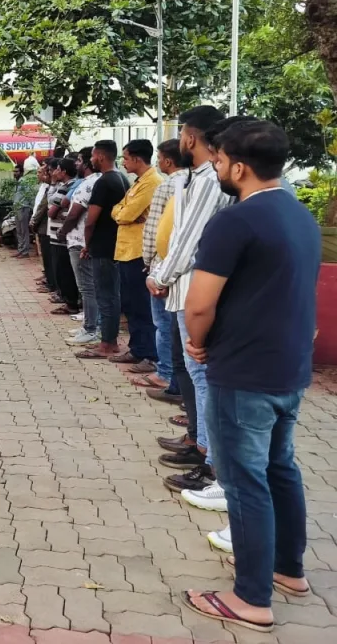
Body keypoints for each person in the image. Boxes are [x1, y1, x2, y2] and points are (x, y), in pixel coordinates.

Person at [180, 120, 318, 634]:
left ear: (238, 166)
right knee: (281, 469)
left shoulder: (236, 221)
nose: (215, 168)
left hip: (243, 371)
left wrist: (198, 342)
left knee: (244, 483)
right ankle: (289, 570)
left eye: (218, 161)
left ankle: (251, 598)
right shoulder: (299, 215)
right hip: (287, 369)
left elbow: (199, 305)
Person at [147, 105, 229, 495]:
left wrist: (160, 275)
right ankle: (200, 443)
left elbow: (190, 240)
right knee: (192, 373)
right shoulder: (193, 178)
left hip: (192, 287)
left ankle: (212, 462)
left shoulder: (212, 179)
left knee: (202, 375)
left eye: (181, 132)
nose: (179, 139)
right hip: (179, 287)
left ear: (191, 137)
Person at [136, 139, 185, 394]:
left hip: (163, 267)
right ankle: (173, 377)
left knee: (164, 325)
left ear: (167, 160)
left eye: (159, 157)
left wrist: (148, 262)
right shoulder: (194, 181)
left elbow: (154, 228)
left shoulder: (167, 186)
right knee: (175, 328)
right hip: (182, 268)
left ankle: (165, 373)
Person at [109, 139, 162, 369]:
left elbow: (125, 214)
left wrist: (125, 213)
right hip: (125, 250)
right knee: (130, 304)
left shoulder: (152, 183)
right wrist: (124, 213)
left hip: (139, 252)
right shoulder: (137, 182)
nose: (124, 162)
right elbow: (117, 210)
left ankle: (149, 354)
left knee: (141, 306)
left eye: (126, 158)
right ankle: (137, 348)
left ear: (138, 159)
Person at [77, 141, 128, 360]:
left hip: (103, 246)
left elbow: (91, 220)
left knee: (105, 295)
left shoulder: (104, 182)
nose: (91, 160)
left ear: (99, 156)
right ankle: (109, 340)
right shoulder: (123, 179)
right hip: (117, 244)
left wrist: (87, 244)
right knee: (112, 295)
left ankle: (108, 343)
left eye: (93, 156)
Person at [58, 151, 101, 345]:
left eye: (80, 161)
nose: (77, 164)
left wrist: (62, 231)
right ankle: (90, 324)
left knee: (87, 288)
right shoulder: (96, 181)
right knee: (89, 287)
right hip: (83, 240)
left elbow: (75, 213)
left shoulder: (89, 183)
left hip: (79, 240)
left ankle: (91, 328)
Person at [47, 158, 80, 315]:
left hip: (61, 234)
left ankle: (71, 303)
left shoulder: (70, 186)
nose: (54, 172)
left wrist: (55, 209)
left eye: (57, 169)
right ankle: (67, 299)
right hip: (56, 233)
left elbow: (51, 210)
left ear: (64, 172)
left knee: (64, 270)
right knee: (60, 269)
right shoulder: (63, 186)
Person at [13, 159, 39, 258]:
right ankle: (20, 249)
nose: (15, 174)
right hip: (17, 207)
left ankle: (25, 251)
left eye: (17, 172)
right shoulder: (17, 182)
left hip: (23, 207)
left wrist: (31, 208)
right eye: (14, 172)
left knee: (24, 230)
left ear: (21, 172)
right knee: (19, 230)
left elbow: (29, 195)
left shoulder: (24, 182)